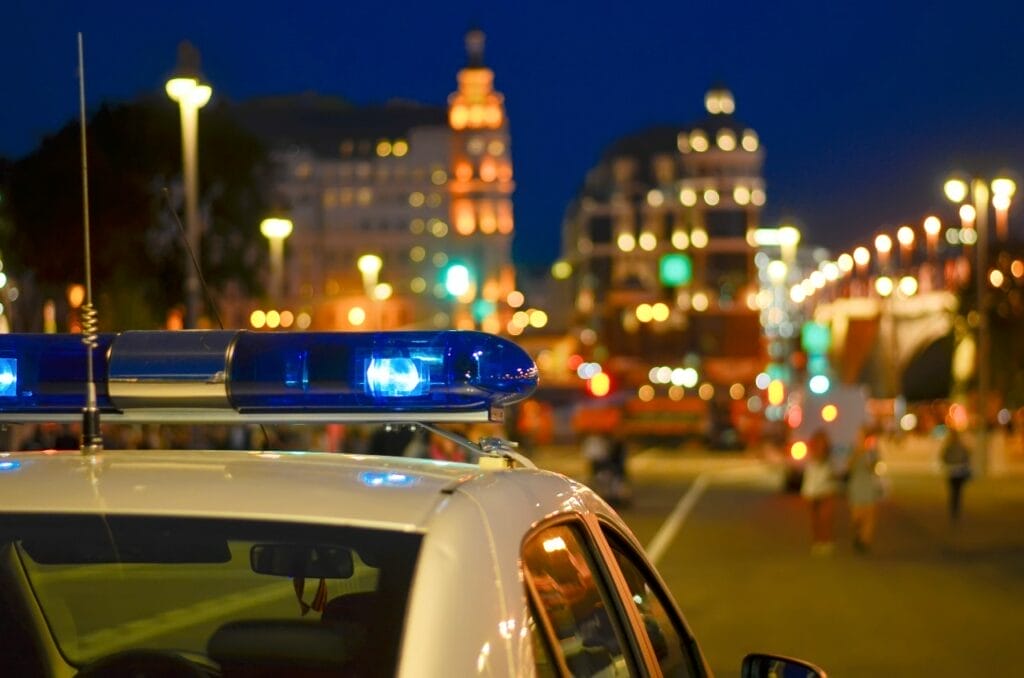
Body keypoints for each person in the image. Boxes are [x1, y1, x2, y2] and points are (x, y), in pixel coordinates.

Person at [800, 429, 839, 555]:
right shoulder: (810, 458)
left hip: (825, 491)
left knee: (825, 518)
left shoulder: (829, 460)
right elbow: (807, 475)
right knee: (815, 519)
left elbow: (833, 474)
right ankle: (817, 541)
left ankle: (826, 541)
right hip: (812, 491)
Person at [846, 425, 883, 552]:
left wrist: (869, 455)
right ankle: (858, 534)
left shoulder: (872, 451)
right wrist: (857, 453)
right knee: (856, 517)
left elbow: (874, 466)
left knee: (869, 516)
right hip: (856, 486)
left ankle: (864, 541)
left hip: (869, 486)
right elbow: (848, 467)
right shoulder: (854, 450)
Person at [940, 428, 972, 522]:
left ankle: (954, 508)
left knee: (953, 491)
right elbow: (967, 456)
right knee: (958, 491)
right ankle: (956, 508)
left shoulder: (948, 447)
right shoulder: (961, 446)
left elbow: (944, 457)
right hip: (960, 472)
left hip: (952, 472)